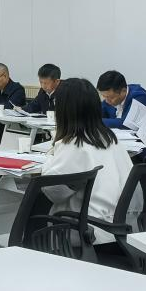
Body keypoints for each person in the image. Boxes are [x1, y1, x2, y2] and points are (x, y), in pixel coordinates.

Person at [39, 78, 138, 233]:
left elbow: (53, 191)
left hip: (89, 229)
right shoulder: (111, 138)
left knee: (35, 212)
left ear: (63, 110)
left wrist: (50, 158)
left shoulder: (74, 144)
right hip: (124, 226)